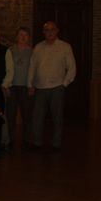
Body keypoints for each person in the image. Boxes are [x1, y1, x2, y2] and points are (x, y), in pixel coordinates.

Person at [27, 21, 76, 151]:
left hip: (57, 87)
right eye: (47, 30)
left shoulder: (65, 47)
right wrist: (30, 84)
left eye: (52, 29)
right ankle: (37, 142)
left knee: (57, 117)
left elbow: (72, 68)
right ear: (43, 32)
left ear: (57, 31)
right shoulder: (38, 47)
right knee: (37, 117)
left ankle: (56, 143)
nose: (49, 32)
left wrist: (64, 84)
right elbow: (32, 67)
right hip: (40, 88)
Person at [7, 27, 34, 148]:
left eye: (25, 35)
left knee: (27, 115)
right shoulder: (10, 50)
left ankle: (27, 140)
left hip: (26, 86)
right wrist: (6, 85)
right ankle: (11, 140)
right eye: (21, 35)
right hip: (12, 86)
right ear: (17, 37)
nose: (23, 37)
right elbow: (7, 68)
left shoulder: (32, 51)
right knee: (11, 115)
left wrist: (32, 85)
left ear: (29, 37)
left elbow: (35, 69)